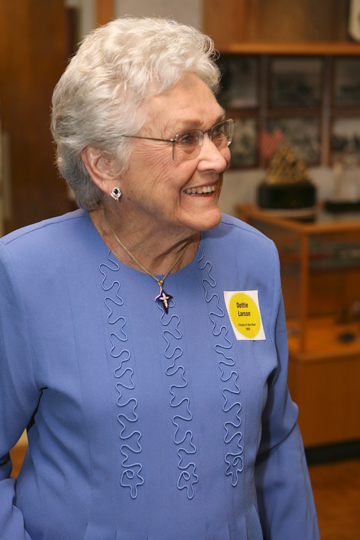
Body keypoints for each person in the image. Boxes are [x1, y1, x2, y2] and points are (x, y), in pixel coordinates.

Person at [0, 17, 320, 540]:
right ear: (104, 166)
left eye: (217, 131)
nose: (217, 159)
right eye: (186, 139)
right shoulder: (24, 274)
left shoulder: (253, 260)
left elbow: (277, 442)